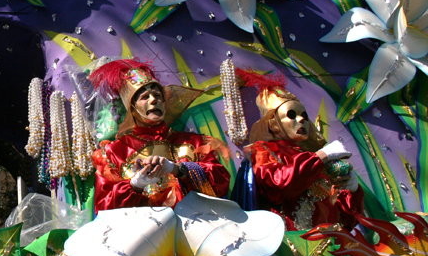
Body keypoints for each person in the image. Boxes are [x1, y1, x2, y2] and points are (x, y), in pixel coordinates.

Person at [89, 59, 231, 211]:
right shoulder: (113, 153)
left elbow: (221, 183)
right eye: (144, 97)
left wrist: (179, 169)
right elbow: (104, 208)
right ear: (132, 107)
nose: (153, 100)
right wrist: (135, 184)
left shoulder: (194, 142)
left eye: (157, 95)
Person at [239, 69, 363, 231]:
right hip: (294, 248)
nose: (302, 119)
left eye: (304, 115)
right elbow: (277, 187)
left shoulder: (314, 161)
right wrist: (321, 156)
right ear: (273, 123)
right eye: (291, 114)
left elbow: (347, 222)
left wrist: (353, 191)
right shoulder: (262, 151)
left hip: (330, 247)